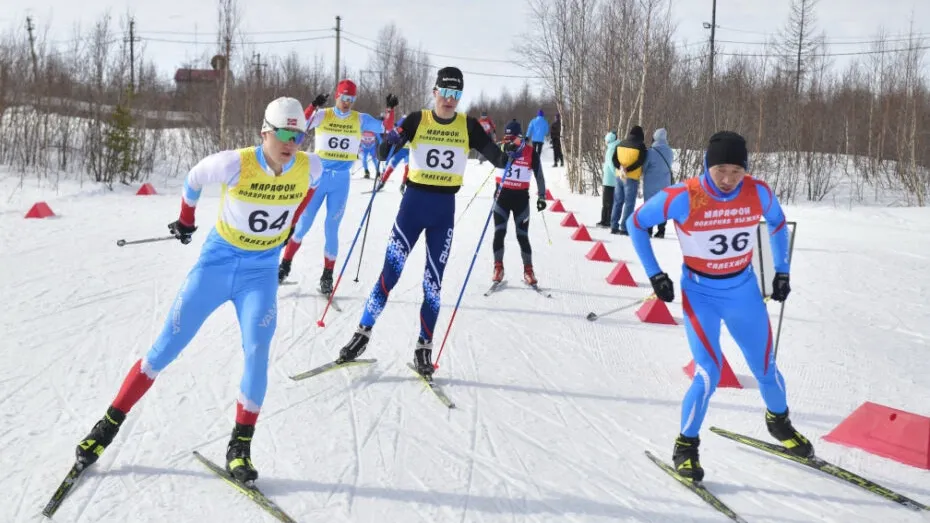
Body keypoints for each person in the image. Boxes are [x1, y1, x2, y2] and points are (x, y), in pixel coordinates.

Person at [72, 97, 323, 485]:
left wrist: (292, 221)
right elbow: (193, 178)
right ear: (265, 133)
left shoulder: (310, 166)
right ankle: (106, 426)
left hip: (259, 273)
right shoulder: (235, 163)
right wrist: (186, 220)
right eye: (285, 134)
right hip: (217, 266)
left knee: (257, 352)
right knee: (165, 347)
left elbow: (311, 187)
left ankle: (240, 447)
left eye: (300, 135)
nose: (292, 143)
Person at [625, 130, 812, 482]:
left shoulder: (758, 192)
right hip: (701, 295)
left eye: (736, 172)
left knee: (767, 368)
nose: (728, 180)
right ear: (708, 166)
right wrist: (655, 275)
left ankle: (779, 423)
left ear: (746, 170)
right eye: (720, 170)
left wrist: (782, 271)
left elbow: (777, 222)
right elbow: (634, 225)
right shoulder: (683, 196)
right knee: (708, 373)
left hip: (743, 292)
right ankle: (686, 445)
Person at [338, 66, 522, 377]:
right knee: (389, 275)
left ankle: (424, 346)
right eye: (445, 92)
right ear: (434, 92)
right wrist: (387, 143)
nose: (449, 99)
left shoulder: (469, 126)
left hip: (442, 212)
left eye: (456, 94)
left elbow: (496, 157)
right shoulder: (417, 119)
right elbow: (388, 145)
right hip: (412, 207)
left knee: (432, 285)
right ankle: (362, 334)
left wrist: (509, 153)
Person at [277, 80, 398, 293]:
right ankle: (284, 265)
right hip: (318, 177)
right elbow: (301, 123)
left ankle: (327, 276)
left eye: (351, 99)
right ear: (337, 96)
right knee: (303, 224)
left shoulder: (359, 119)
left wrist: (390, 110)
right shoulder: (324, 115)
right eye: (344, 98)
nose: (347, 103)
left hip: (341, 180)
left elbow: (386, 129)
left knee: (331, 229)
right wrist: (313, 106)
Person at [490, 119, 547, 285]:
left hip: (521, 200)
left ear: (520, 137)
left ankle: (528, 270)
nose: (508, 141)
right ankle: (498, 267)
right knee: (499, 233)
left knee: (522, 236)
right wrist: (504, 150)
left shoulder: (530, 152)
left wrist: (542, 195)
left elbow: (539, 176)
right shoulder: (501, 149)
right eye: (506, 138)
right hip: (501, 199)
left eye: (512, 138)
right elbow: (491, 152)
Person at [610, 125, 647, 235]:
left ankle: (613, 225)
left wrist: (620, 167)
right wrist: (628, 169)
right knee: (629, 203)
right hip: (631, 177)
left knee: (617, 201)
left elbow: (614, 159)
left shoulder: (620, 144)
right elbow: (641, 161)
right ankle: (624, 228)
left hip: (619, 176)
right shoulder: (640, 146)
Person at [641, 128, 674, 238]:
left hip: (651, 183)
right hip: (665, 183)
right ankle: (661, 230)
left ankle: (649, 229)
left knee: (650, 206)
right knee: (662, 207)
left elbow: (644, 167)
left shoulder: (651, 151)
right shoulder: (670, 151)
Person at [597, 131, 621, 228]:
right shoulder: (616, 147)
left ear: (609, 140)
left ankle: (606, 220)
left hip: (609, 180)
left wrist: (617, 174)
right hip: (612, 180)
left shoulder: (611, 149)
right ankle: (606, 220)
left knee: (607, 202)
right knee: (610, 201)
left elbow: (611, 165)